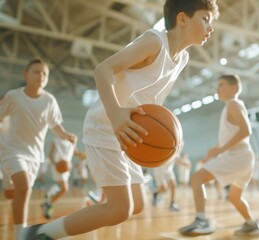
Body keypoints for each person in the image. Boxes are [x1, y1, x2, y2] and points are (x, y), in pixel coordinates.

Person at [21, 1, 219, 239]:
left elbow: (149, 97)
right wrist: (115, 114)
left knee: (137, 204)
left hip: (130, 133)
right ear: (183, 19)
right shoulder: (155, 42)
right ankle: (40, 233)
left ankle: (39, 232)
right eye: (206, 19)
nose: (211, 27)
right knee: (120, 209)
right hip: (106, 126)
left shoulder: (182, 58)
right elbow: (103, 70)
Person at [0, 58, 77, 239]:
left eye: (45, 73)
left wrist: (66, 135)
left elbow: (55, 126)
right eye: (36, 71)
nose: (41, 76)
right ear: (25, 75)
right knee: (24, 187)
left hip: (34, 156)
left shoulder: (49, 101)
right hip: (11, 150)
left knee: (12, 194)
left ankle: (13, 200)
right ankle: (21, 234)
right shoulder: (13, 96)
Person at [179, 75, 259, 236]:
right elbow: (235, 133)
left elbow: (246, 131)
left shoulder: (233, 104)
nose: (217, 88)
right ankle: (251, 223)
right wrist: (216, 148)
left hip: (238, 156)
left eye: (221, 85)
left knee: (197, 178)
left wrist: (221, 150)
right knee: (234, 198)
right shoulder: (232, 106)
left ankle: (201, 220)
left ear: (234, 88)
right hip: (244, 157)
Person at [41, 137, 86, 219]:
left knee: (60, 186)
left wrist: (84, 154)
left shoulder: (73, 142)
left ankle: (48, 196)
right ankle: (48, 204)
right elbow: (50, 155)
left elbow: (76, 153)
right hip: (58, 167)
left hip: (66, 168)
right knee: (64, 188)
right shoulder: (56, 140)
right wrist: (56, 164)